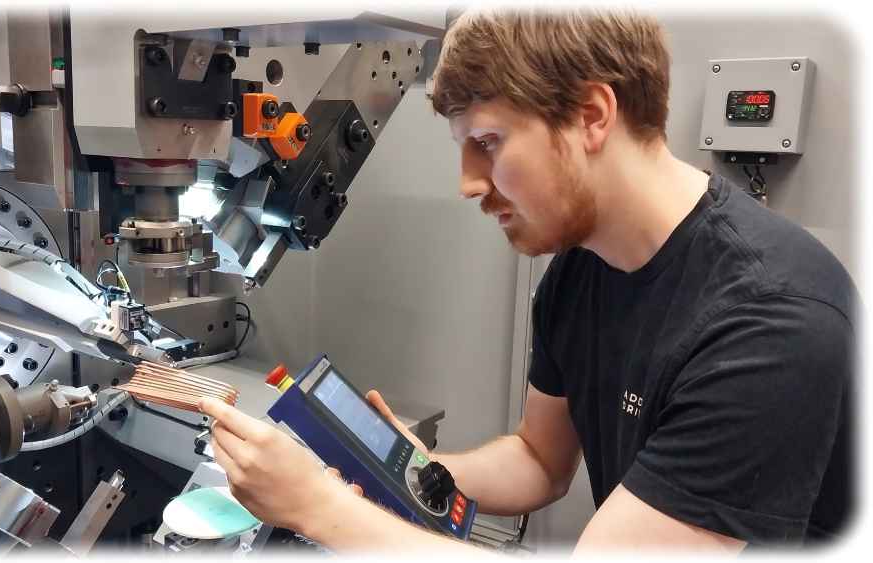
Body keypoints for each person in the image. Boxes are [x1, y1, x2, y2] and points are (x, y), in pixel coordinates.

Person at [198, 7, 855, 553]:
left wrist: (317, 506)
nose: (467, 184)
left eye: (487, 143)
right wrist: (418, 470)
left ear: (592, 115)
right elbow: (541, 460)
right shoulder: (581, 267)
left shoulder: (770, 322)